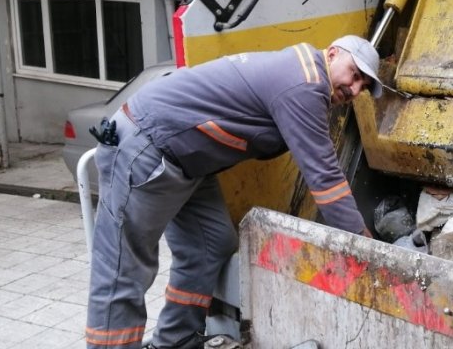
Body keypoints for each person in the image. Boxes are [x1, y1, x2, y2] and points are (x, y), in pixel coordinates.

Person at [85, 35, 383, 349]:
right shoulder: (306, 84)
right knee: (123, 269)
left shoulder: (301, 73)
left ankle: (177, 340)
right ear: (333, 53)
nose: (354, 89)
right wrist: (363, 246)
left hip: (187, 160)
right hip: (148, 146)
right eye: (354, 74)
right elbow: (325, 179)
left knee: (211, 243)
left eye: (362, 86)